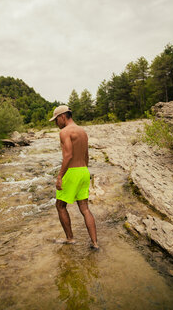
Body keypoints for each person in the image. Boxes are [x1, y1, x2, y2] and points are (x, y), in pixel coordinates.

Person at [49, 105, 99, 249]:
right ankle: (95, 243)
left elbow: (68, 155)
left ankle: (70, 239)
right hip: (84, 170)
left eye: (56, 120)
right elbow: (86, 155)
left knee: (60, 205)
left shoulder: (65, 132)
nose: (55, 123)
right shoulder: (83, 131)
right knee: (84, 208)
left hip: (71, 172)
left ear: (62, 117)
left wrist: (60, 177)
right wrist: (85, 172)